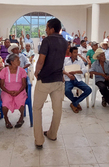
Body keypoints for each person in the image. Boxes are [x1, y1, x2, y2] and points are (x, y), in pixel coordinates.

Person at [33, 18, 67, 148]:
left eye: (47, 27)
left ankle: (39, 140)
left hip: (45, 80)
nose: (46, 30)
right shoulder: (64, 42)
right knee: (57, 110)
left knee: (37, 108)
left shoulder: (47, 41)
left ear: (52, 28)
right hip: (58, 80)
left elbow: (41, 60)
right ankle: (52, 134)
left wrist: (36, 72)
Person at [0, 54, 28, 129]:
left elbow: (24, 84)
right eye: (17, 60)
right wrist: (9, 92)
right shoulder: (4, 71)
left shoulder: (21, 70)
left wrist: (18, 92)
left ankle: (21, 118)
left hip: (20, 90)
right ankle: (6, 119)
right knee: (5, 103)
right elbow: (2, 85)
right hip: (7, 91)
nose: (19, 61)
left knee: (20, 101)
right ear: (11, 62)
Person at [64, 47, 92, 113]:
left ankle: (74, 103)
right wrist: (68, 75)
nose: (76, 54)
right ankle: (75, 102)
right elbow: (62, 69)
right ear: (70, 53)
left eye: (77, 52)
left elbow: (85, 69)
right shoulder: (65, 60)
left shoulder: (80, 61)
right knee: (67, 91)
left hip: (78, 79)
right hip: (68, 79)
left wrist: (76, 71)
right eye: (74, 52)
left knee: (89, 90)